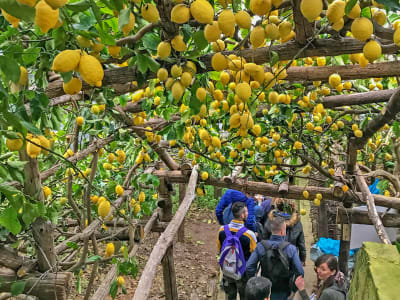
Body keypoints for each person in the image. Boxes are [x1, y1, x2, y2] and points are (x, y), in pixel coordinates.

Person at [246, 216, 304, 300]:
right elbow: (300, 271)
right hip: (284, 290)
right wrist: (293, 290)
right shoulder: (291, 249)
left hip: (265, 290)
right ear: (282, 231)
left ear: (271, 230)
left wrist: (256, 285)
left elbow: (249, 267)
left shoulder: (261, 246)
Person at [218, 201, 257, 300]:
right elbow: (254, 255)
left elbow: (219, 249)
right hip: (242, 272)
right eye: (246, 212)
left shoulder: (222, 230)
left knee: (230, 296)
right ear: (242, 215)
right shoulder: (249, 234)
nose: (248, 213)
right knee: (244, 296)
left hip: (227, 269)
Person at [263, 198, 306, 265]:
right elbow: (301, 244)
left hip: (272, 258)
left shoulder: (270, 220)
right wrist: (302, 259)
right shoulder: (297, 223)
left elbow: (265, 239)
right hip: (291, 258)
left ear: (276, 206)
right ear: (292, 206)